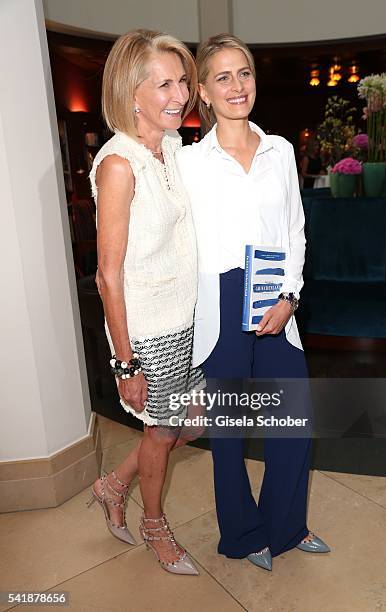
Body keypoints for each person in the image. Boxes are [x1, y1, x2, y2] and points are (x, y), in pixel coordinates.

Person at [176, 34, 330, 571]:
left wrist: (290, 295)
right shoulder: (189, 162)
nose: (236, 86)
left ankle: (286, 526)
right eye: (222, 76)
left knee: (295, 417)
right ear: (203, 90)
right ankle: (242, 534)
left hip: (274, 295)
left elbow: (295, 232)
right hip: (218, 300)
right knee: (228, 431)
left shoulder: (280, 151)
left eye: (244, 73)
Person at [87, 29, 204, 576]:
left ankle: (114, 483)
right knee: (160, 433)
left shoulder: (171, 146)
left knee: (195, 422)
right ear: (131, 91)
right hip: (150, 331)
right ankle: (154, 524)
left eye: (183, 80)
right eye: (164, 84)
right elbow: (108, 275)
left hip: (188, 317)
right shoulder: (119, 165)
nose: (180, 93)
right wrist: (125, 360)